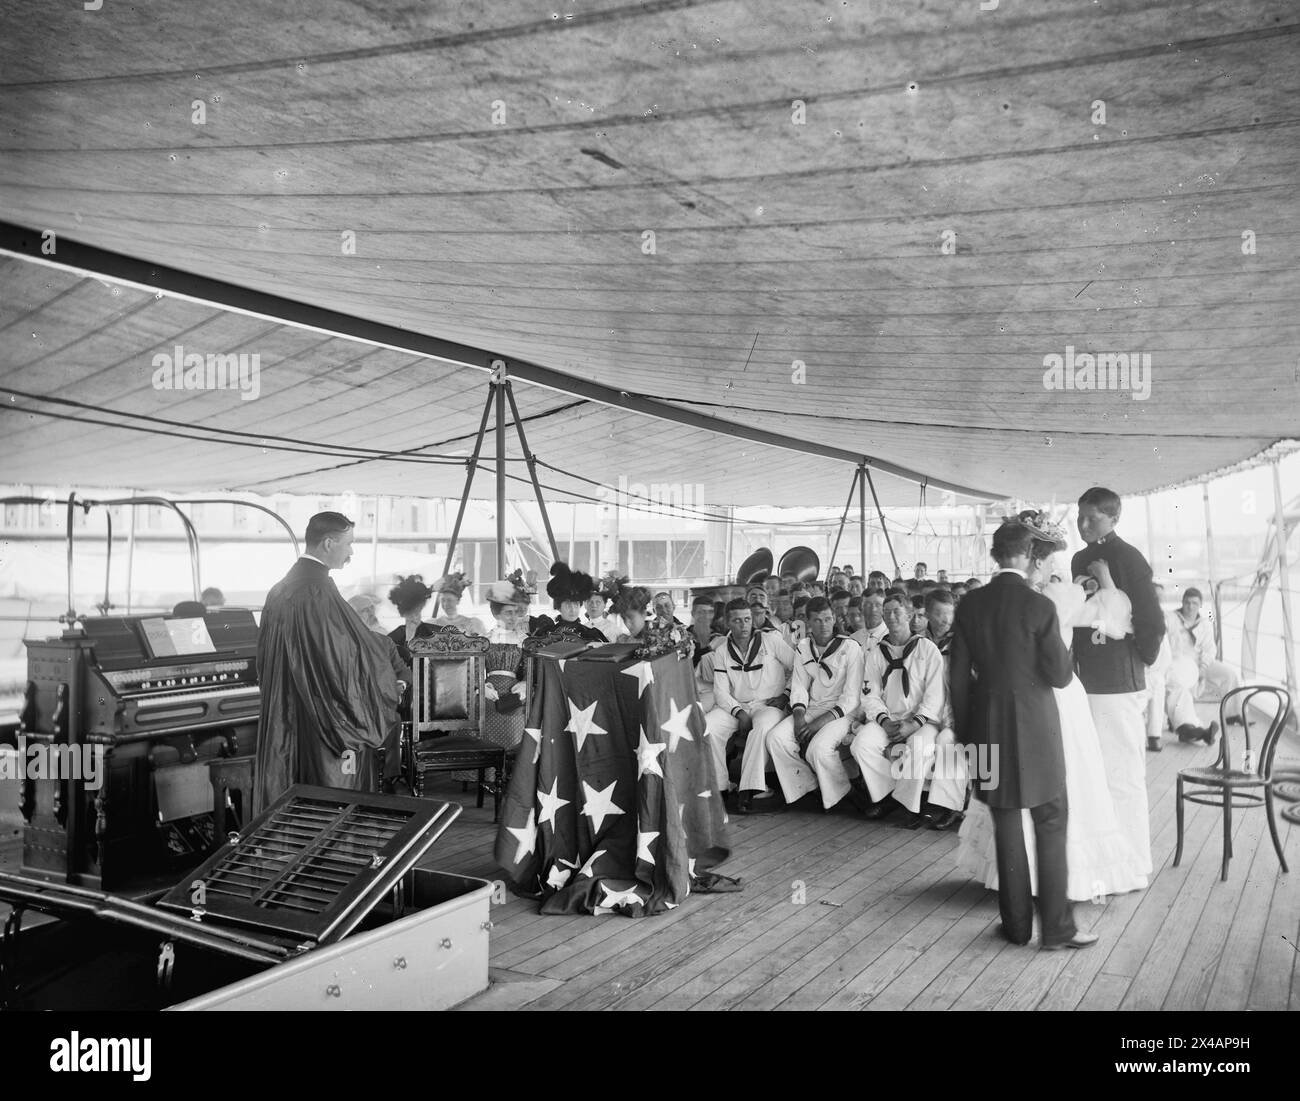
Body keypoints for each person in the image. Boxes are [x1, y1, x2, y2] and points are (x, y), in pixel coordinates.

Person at [955, 512, 1149, 903]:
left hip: (999, 708)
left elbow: (960, 674)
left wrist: (965, 734)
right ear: (1038, 559)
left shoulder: (978, 602)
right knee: (1060, 794)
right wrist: (1102, 581)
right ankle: (1060, 893)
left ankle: (1015, 893)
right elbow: (1116, 618)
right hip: (1054, 702)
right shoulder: (1061, 598)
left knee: (1008, 799)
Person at [948, 517, 1094, 951]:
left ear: (995, 556)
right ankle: (1057, 930)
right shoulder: (1039, 606)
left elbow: (957, 678)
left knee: (1006, 823)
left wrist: (966, 733)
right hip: (1037, 730)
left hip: (986, 730)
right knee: (1050, 821)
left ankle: (1015, 927)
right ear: (1030, 557)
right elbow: (1061, 676)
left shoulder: (970, 605)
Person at [256, 512, 401, 811]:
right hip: (321, 718)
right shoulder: (318, 591)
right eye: (348, 543)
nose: (351, 552)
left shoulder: (279, 589)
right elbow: (341, 660)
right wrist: (387, 681)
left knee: (293, 793)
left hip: (287, 712)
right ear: (328, 542)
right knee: (327, 800)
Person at [1070, 487, 1163, 875]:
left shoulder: (1128, 558)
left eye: (1093, 518)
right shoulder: (1078, 558)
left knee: (1124, 774)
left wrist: (1139, 660)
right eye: (1080, 516)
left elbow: (1152, 621)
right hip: (1086, 680)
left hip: (1119, 680)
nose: (1084, 524)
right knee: (1095, 773)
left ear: (1114, 519)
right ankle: (1106, 861)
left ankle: (1135, 861)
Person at [850, 592, 965, 828]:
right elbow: (869, 694)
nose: (891, 617)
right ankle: (889, 794)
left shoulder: (927, 649)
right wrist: (883, 720)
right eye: (887, 612)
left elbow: (935, 695)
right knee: (861, 744)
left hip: (922, 721)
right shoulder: (876, 653)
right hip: (889, 719)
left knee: (919, 746)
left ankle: (909, 806)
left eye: (897, 611)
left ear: (909, 615)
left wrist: (914, 723)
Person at [766, 597, 868, 813]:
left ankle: (846, 793)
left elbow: (852, 697)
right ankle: (807, 787)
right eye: (818, 620)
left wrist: (818, 723)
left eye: (828, 619)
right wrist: (799, 715)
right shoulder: (804, 647)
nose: (824, 625)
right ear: (808, 623)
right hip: (811, 708)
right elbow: (799, 685)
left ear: (834, 619)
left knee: (818, 749)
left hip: (842, 713)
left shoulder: (850, 647)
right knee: (776, 738)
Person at [705, 598, 796, 810]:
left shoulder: (770, 640)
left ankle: (748, 789)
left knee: (762, 728)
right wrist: (739, 713)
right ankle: (720, 786)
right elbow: (720, 691)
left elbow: (798, 667)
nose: (743, 625)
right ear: (728, 623)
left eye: (747, 619)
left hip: (769, 705)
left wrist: (786, 694)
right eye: (737, 621)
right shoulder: (722, 651)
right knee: (707, 727)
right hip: (736, 706)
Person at [1164, 587, 1232, 744]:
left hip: (1197, 663)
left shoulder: (1204, 624)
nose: (1190, 606)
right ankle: (1190, 728)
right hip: (1175, 662)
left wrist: (1203, 668)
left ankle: (1233, 714)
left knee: (1228, 675)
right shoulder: (1171, 618)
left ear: (1200, 605)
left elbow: (1209, 650)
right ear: (1182, 602)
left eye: (1194, 603)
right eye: (1187, 602)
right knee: (1180, 686)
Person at [533, 563, 609, 643]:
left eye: (576, 605)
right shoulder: (545, 633)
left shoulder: (591, 634)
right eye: (568, 605)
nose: (573, 609)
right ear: (559, 607)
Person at [387, 574, 436, 666]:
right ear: (403, 612)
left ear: (422, 606)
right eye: (410, 611)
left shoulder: (434, 635)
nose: (414, 616)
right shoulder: (394, 637)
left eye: (417, 610)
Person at [586, 575, 625, 642]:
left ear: (604, 605)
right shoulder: (582, 628)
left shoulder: (614, 629)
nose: (594, 605)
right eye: (590, 602)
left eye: (598, 602)